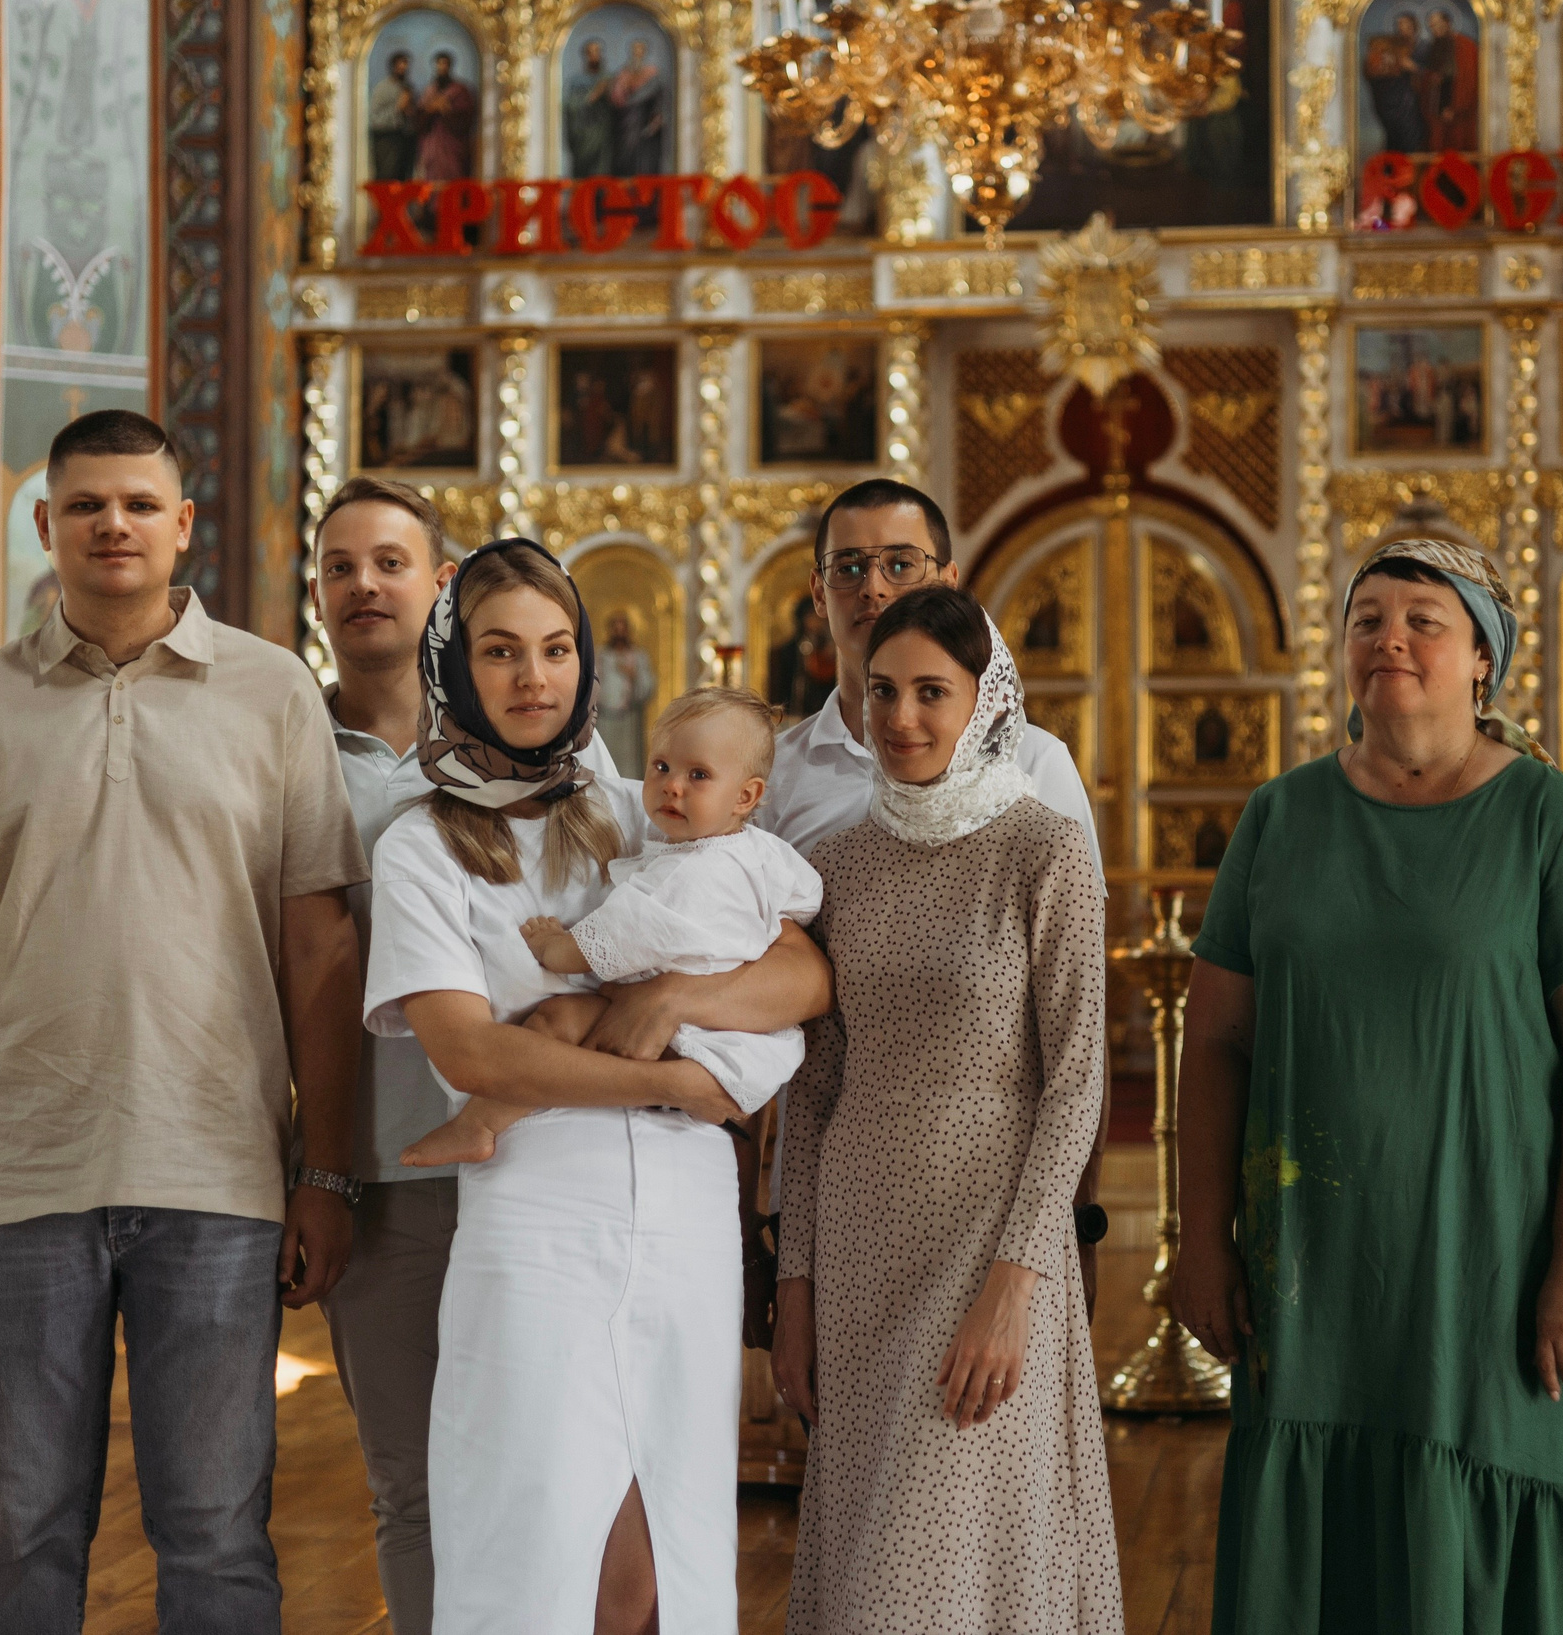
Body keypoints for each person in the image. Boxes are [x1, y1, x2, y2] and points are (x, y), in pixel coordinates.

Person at [0, 410, 369, 1634]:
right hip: (11, 1177)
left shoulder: (271, 691)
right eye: (87, 504)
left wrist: (326, 1172)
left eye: (140, 504)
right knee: (24, 1532)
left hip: (217, 1172)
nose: (114, 525)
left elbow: (318, 951)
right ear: (44, 524)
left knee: (215, 1536)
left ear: (182, 524)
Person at [1171, 537, 1563, 1634]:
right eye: (1368, 620)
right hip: (1314, 1267)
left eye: (1422, 621)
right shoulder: (1280, 816)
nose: (1389, 640)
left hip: (1495, 1268)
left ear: (1483, 658)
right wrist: (1203, 1239)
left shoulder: (1556, 818)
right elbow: (1215, 1044)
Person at [362, 537, 831, 1634]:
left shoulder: (648, 804)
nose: (535, 677)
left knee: (663, 1559)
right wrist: (678, 1084)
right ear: (455, 665)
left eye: (557, 648)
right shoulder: (421, 847)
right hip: (535, 1221)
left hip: (685, 1222)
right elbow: (472, 1056)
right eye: (500, 651)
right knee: (534, 1545)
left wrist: (672, 997)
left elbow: (804, 975)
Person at [307, 476, 639, 1633]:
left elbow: (657, 948)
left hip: (561, 1171)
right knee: (415, 1487)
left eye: (389, 562)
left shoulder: (585, 776)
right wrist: (318, 1169)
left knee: (570, 1479)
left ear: (440, 585)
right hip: (390, 1161)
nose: (364, 585)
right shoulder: (295, 748)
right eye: (339, 565)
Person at [772, 585, 1119, 1632]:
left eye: (932, 691)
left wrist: (1017, 1282)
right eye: (882, 691)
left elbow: (1077, 1081)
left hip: (992, 1247)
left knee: (948, 1558)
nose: (902, 717)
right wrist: (794, 1285)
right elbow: (812, 1092)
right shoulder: (833, 866)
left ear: (986, 700)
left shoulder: (1043, 848)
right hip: (859, 1252)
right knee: (867, 1553)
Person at [410, 685, 822, 1166]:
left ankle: (478, 1124)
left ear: (746, 795)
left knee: (557, 1020)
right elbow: (807, 897)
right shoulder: (765, 852)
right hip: (743, 1033)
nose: (673, 786)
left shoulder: (689, 873)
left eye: (699, 775)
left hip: (693, 1038)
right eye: (661, 766)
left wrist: (555, 947)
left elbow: (621, 936)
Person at [760, 480, 1095, 872]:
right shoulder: (772, 776)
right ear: (818, 593)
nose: (873, 588)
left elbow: (1070, 904)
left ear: (948, 583)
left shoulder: (1036, 760)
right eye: (848, 568)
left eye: (901, 565)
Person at [595, 609, 658, 778]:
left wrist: (634, 676)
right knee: (606, 761)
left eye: (622, 628)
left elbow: (648, 687)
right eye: (615, 628)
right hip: (605, 719)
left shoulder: (639, 656)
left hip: (629, 719)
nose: (619, 632)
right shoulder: (600, 655)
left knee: (629, 764)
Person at [1361, 13, 1427, 153]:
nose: (1403, 29)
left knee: (1411, 130)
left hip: (1412, 97)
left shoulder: (1422, 47)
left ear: (1414, 27)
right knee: (1394, 131)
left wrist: (1413, 67)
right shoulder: (1391, 45)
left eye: (1406, 25)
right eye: (1400, 26)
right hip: (1392, 94)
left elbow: (1433, 73)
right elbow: (1374, 70)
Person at [1419, 8, 1479, 153]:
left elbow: (1469, 81)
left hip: (1457, 112)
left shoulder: (1464, 45)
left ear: (1448, 23)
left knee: (1457, 149)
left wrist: (1455, 108)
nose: (1434, 29)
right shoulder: (1436, 45)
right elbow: (1430, 76)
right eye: (1431, 26)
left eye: (1437, 24)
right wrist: (1431, 80)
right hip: (1436, 110)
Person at [766, 597, 836, 722]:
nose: (818, 621)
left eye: (820, 617)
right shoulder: (787, 650)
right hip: (794, 711)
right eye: (812, 616)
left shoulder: (830, 647)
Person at [608, 37, 669, 177]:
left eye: (639, 50)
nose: (636, 53)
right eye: (634, 50)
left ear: (644, 53)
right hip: (625, 122)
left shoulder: (652, 74)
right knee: (624, 155)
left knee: (644, 158)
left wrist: (657, 118)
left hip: (644, 120)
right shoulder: (623, 74)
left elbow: (659, 99)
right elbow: (616, 98)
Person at [414, 51, 477, 182]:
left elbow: (466, 119)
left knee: (454, 180)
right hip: (432, 148)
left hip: (453, 147)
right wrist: (430, 110)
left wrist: (446, 110)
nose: (442, 67)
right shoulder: (429, 91)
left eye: (445, 64)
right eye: (439, 64)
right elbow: (418, 120)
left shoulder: (460, 90)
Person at [563, 37, 614, 178]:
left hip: (603, 132)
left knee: (601, 170)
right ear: (585, 55)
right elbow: (571, 106)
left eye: (597, 51)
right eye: (590, 52)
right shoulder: (577, 81)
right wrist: (592, 96)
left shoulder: (609, 78)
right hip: (583, 134)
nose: (594, 55)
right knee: (583, 173)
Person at [368, 49, 420, 183]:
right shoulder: (382, 89)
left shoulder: (409, 89)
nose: (403, 69)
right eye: (400, 66)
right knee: (387, 180)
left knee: (405, 179)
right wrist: (398, 108)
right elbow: (375, 118)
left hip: (405, 142)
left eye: (405, 66)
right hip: (387, 143)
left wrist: (410, 112)